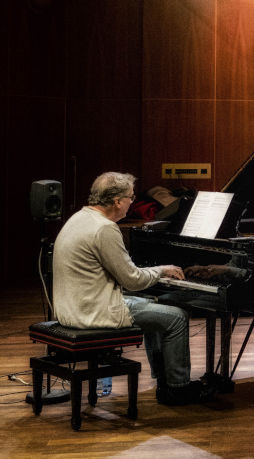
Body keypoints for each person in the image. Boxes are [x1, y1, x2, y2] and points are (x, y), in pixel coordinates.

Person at [52, 172, 213, 406]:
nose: (132, 201)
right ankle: (179, 389)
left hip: (73, 308)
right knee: (176, 318)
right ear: (117, 201)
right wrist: (161, 270)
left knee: (157, 308)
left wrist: (153, 272)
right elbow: (133, 281)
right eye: (130, 197)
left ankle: (165, 383)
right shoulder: (105, 229)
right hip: (94, 313)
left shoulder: (79, 218)